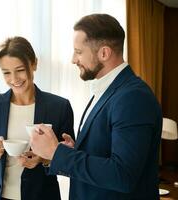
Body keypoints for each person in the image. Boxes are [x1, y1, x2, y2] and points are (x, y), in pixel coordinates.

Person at [30, 14, 162, 200]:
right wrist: (74, 151)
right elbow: (106, 154)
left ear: (104, 53)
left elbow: (122, 175)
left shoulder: (133, 97)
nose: (73, 59)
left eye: (78, 51)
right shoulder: (106, 90)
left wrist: (56, 153)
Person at [0, 36, 75, 200]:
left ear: (34, 63)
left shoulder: (59, 107)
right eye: (6, 73)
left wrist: (44, 160)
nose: (14, 79)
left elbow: (71, 164)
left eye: (20, 70)